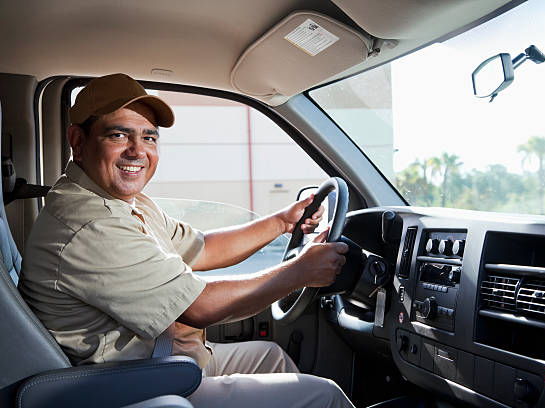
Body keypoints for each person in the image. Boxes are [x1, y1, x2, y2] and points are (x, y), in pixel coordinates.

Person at [18, 73, 353, 408]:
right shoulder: (89, 224)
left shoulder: (120, 201)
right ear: (78, 140)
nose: (138, 151)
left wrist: (282, 222)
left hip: (155, 362)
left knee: (271, 356)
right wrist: (302, 271)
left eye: (149, 138)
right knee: (325, 395)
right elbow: (201, 308)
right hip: (125, 385)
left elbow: (203, 247)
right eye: (118, 135)